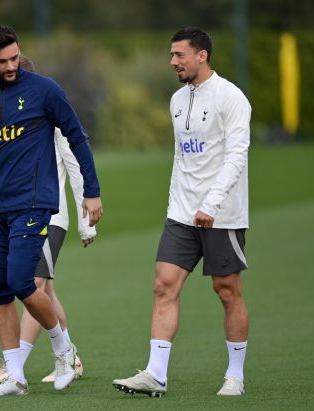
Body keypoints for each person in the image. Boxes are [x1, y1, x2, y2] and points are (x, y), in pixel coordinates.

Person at [0, 25, 103, 396]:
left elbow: (77, 136)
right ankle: (16, 376)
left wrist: (91, 193)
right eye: (2, 61)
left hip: (34, 203)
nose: (11, 65)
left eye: (14, 57)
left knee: (21, 282)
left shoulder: (44, 90)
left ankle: (64, 349)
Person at [112, 27, 251, 397]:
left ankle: (235, 375)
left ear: (202, 55)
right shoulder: (176, 99)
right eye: (172, 55)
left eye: (179, 55)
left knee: (226, 291)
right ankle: (156, 374)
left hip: (223, 215)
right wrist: (178, 204)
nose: (173, 61)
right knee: (163, 285)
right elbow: (181, 158)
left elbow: (237, 155)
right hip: (182, 214)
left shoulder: (231, 97)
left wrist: (211, 204)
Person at [0, 55, 94, 386]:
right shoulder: (2, 123)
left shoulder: (49, 119)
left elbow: (77, 167)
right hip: (10, 213)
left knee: (31, 284)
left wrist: (86, 221)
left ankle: (16, 364)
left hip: (49, 216)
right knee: (44, 291)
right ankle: (71, 357)